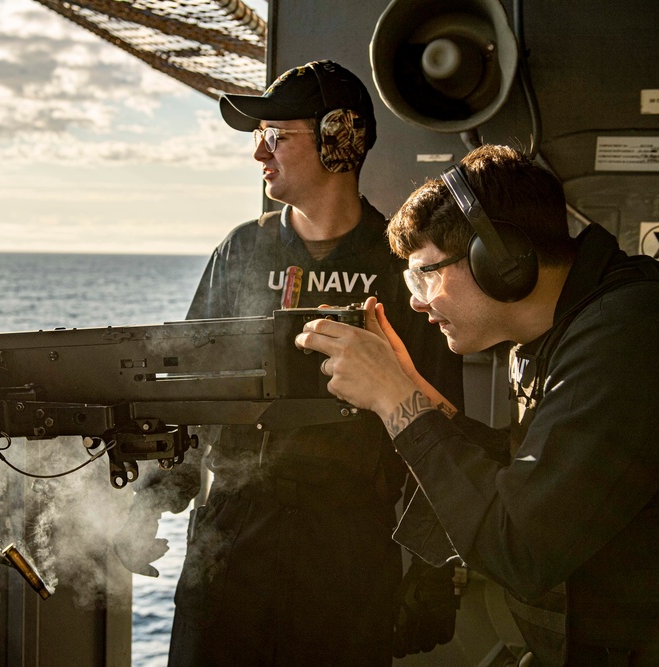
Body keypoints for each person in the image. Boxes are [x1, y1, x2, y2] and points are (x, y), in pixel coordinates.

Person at [296, 144, 659, 666]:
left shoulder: (637, 333)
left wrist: (395, 400)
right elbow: (533, 481)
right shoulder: (580, 328)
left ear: (499, 258)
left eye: (426, 274)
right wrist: (417, 392)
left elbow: (522, 546)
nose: (416, 299)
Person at [112, 60, 465, 666]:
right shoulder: (240, 252)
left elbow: (439, 420)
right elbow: (192, 396)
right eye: (258, 136)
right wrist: (147, 504)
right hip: (228, 555)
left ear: (339, 140)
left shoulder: (399, 266)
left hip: (345, 564)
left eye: (276, 135)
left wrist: (435, 573)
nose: (259, 153)